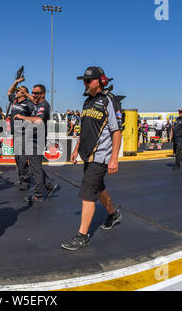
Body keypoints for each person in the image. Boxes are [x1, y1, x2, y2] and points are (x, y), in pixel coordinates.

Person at [61, 66, 123, 251]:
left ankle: (82, 235)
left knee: (88, 190)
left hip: (101, 155)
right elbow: (84, 130)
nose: (85, 84)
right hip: (88, 155)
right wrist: (76, 149)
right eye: (84, 81)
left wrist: (114, 158)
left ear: (100, 81)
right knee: (98, 187)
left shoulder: (108, 101)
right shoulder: (87, 102)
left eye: (88, 81)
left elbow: (116, 130)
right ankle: (113, 213)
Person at [14, 85, 60, 204]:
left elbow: (39, 120)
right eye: (33, 93)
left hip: (37, 140)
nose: (33, 95)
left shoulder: (43, 106)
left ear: (43, 94)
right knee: (35, 166)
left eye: (36, 93)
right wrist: (25, 93)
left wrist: (22, 117)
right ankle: (49, 184)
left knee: (36, 168)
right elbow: (33, 100)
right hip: (33, 139)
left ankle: (38, 195)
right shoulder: (38, 104)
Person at [8, 79, 35, 190]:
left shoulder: (28, 103)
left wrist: (26, 93)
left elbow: (36, 101)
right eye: (18, 91)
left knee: (23, 158)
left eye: (20, 91)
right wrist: (16, 82)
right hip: (16, 134)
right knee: (18, 158)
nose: (17, 92)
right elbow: (9, 92)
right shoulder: (14, 101)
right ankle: (21, 178)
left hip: (25, 134)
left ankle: (26, 181)